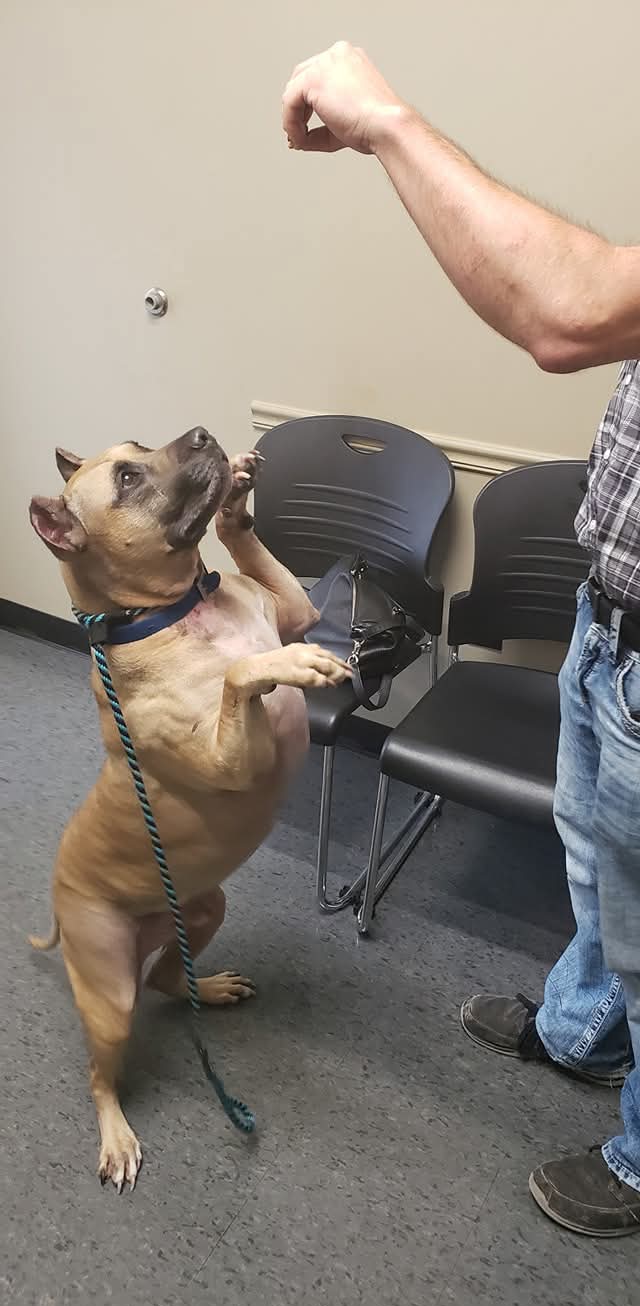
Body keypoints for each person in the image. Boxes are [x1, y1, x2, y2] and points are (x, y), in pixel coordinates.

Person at [282, 41, 640, 1238]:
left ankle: (639, 1157)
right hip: (611, 619)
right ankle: (579, 1031)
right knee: (598, 876)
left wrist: (384, 118)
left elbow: (570, 311)